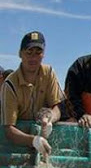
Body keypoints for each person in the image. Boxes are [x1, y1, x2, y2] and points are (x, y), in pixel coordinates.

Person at [0, 31, 62, 160]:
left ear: (43, 54)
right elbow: (9, 130)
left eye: (38, 53)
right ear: (20, 54)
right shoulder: (10, 84)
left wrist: (50, 118)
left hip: (45, 138)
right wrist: (34, 141)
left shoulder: (49, 73)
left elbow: (57, 107)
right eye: (29, 52)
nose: (33, 58)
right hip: (16, 145)